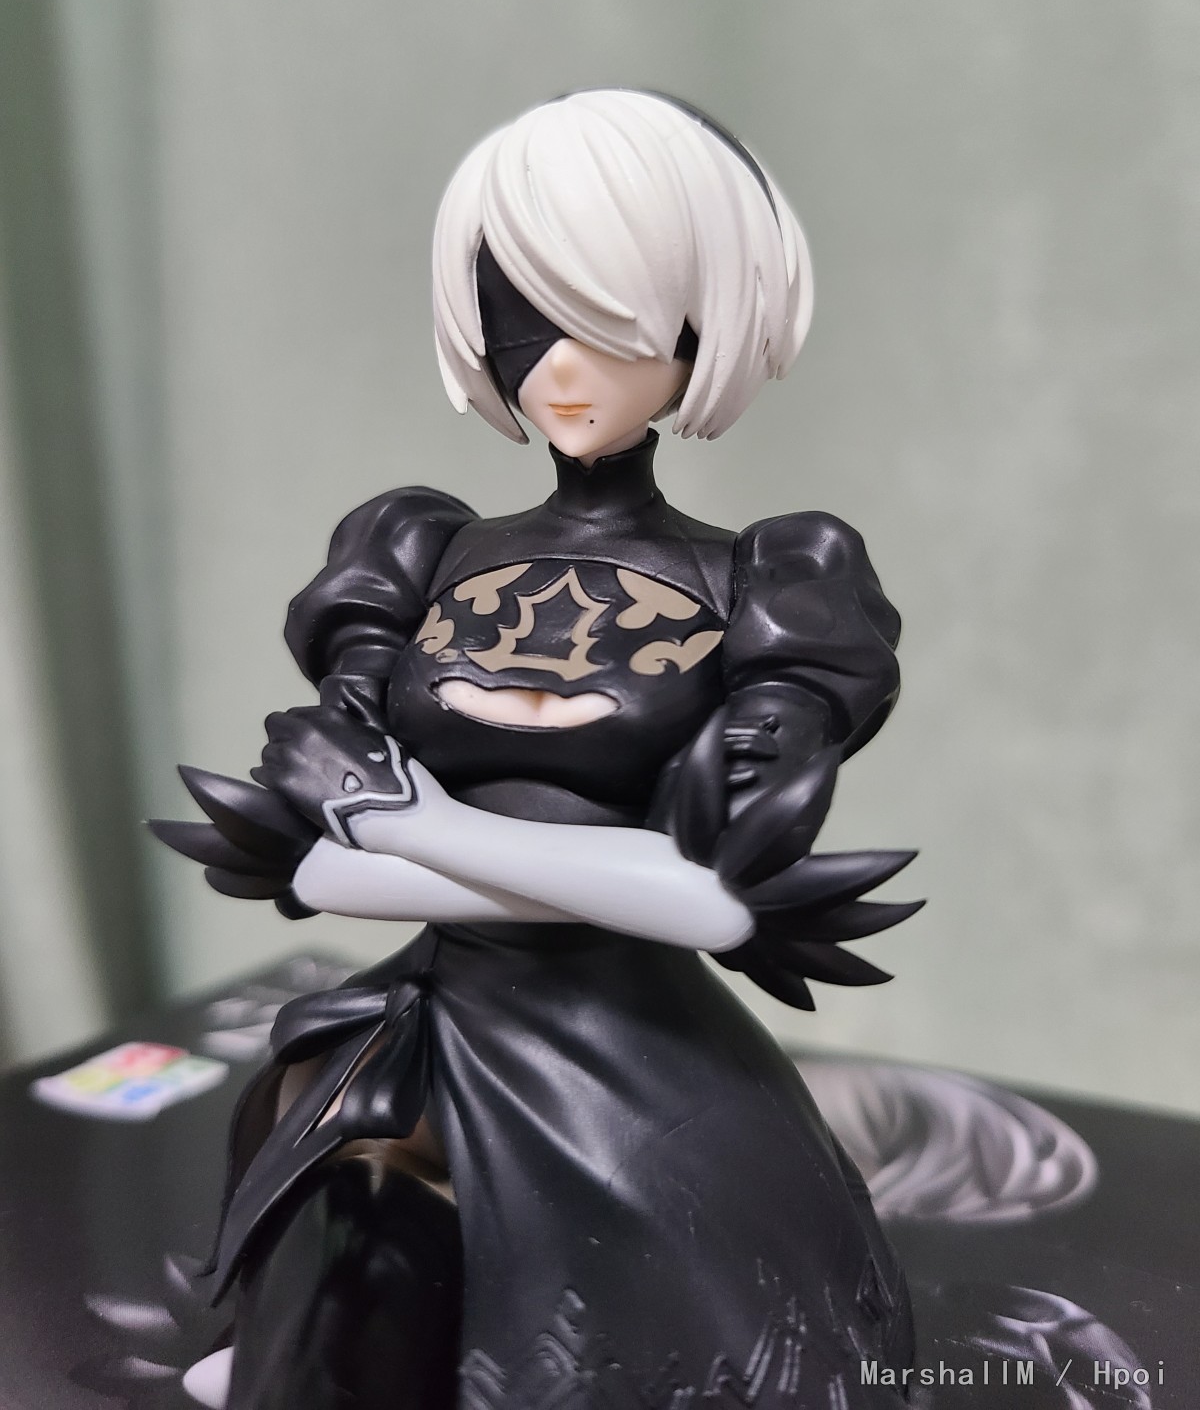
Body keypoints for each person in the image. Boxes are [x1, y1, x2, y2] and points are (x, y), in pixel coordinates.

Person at [158, 89, 921, 1410]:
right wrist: (409, 842)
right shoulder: (419, 552)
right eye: (524, 318)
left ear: (703, 321)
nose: (562, 368)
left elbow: (716, 901)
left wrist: (420, 827)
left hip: (630, 1054)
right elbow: (322, 867)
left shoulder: (768, 577)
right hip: (420, 1024)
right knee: (346, 1190)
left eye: (612, 322)